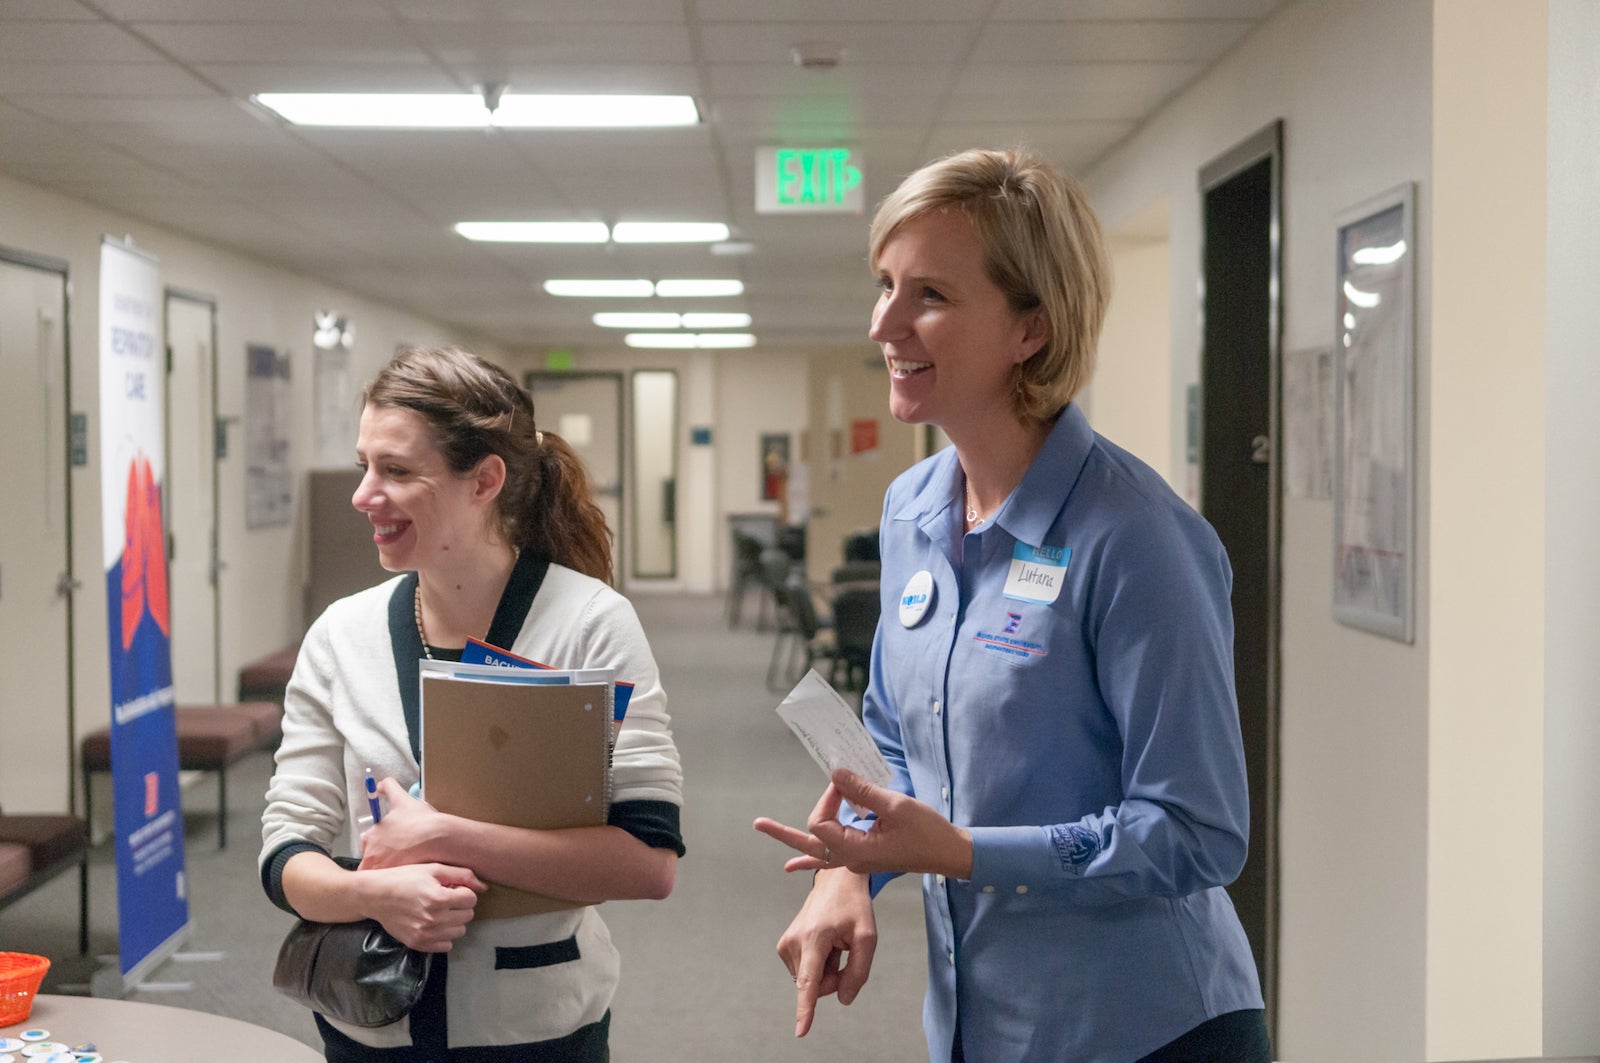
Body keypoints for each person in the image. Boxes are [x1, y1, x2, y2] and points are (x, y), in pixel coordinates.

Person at [753, 149, 1269, 1061]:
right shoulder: (913, 510)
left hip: (1147, 1028)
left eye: (930, 296)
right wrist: (849, 871)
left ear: (1031, 327)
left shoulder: (1137, 538)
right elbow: (893, 740)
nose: (884, 322)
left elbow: (1198, 831)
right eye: (883, 285)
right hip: (979, 1023)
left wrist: (960, 851)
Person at [260, 346, 684, 1061]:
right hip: (371, 1023)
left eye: (395, 470)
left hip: (536, 1025)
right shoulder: (342, 634)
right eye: (365, 464)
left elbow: (648, 861)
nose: (364, 493)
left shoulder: (588, 623)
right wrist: (375, 895)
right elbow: (286, 852)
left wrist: (445, 837)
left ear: (485, 479)